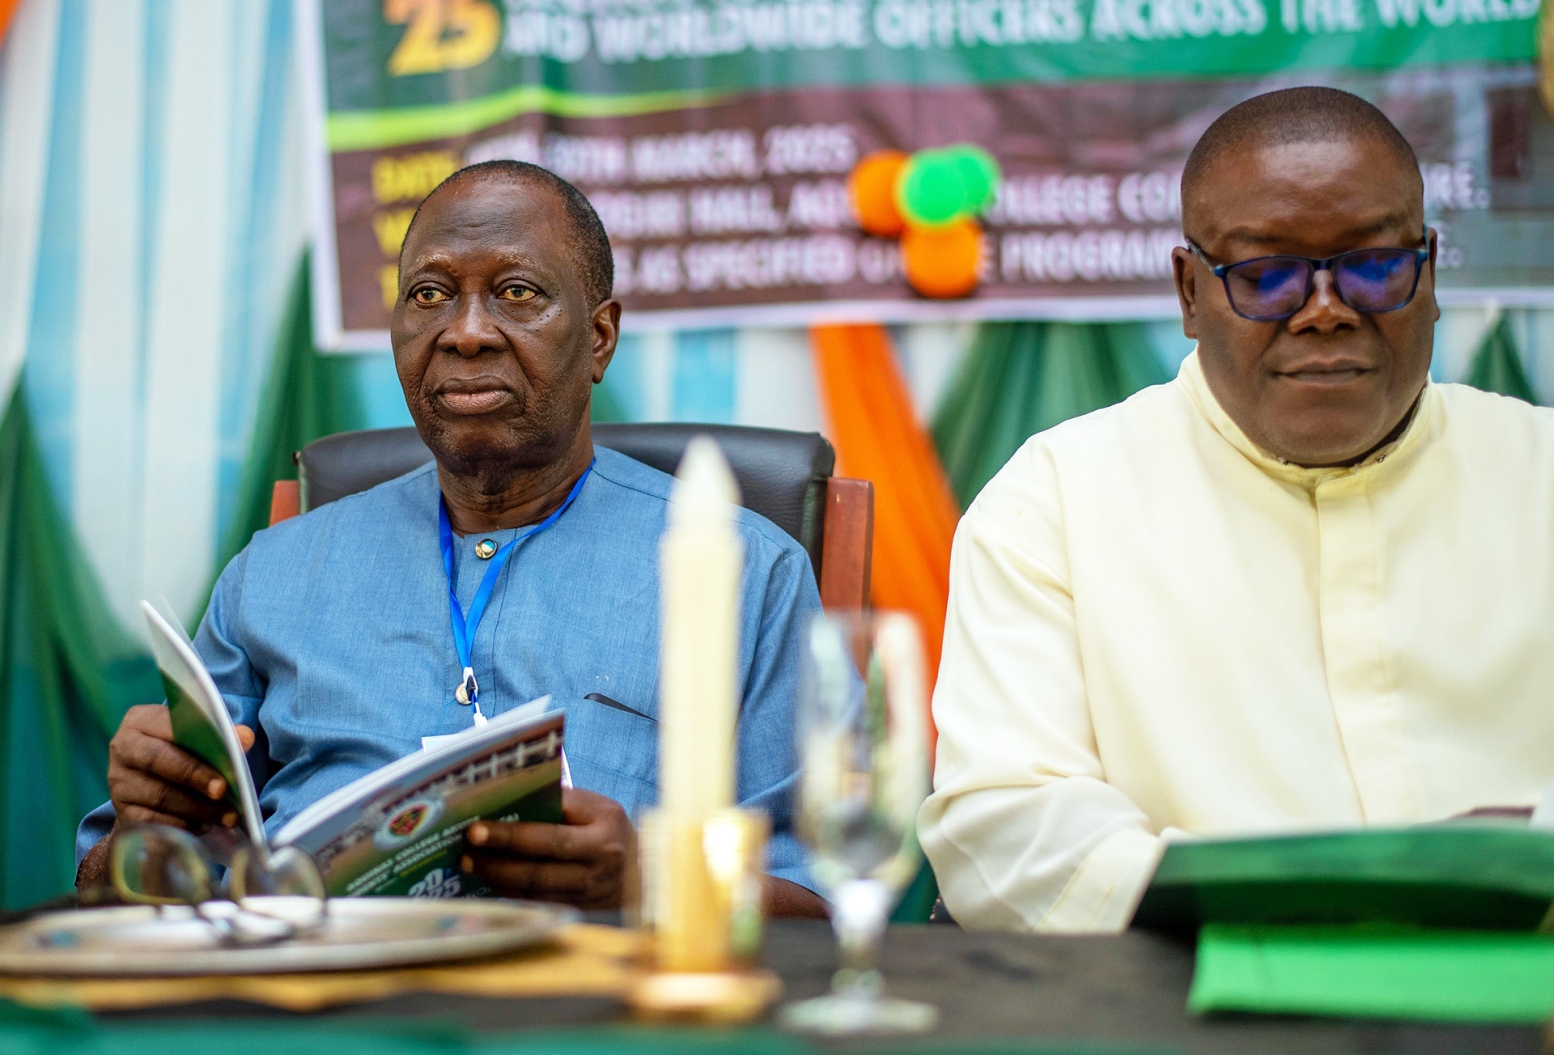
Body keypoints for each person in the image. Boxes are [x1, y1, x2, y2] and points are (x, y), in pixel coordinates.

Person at [76, 160, 826, 917]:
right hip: (309, 980)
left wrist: (647, 884)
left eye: (517, 293)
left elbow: (829, 898)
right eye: (430, 295)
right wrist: (148, 823)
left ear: (599, 338)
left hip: (590, 985)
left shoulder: (747, 573)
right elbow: (110, 882)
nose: (465, 333)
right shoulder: (273, 574)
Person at [918, 86, 1554, 933]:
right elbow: (1009, 831)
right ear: (1190, 292)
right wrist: (1306, 897)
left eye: (1373, 268)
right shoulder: (1054, 505)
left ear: (1429, 273)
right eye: (1266, 276)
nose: (1324, 312)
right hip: (1186, 990)